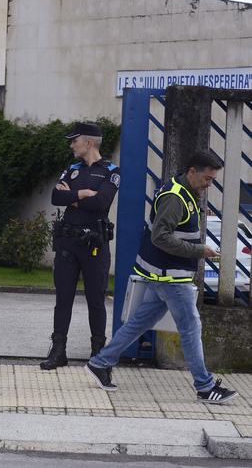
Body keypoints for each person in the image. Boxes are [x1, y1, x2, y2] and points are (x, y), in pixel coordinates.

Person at [86, 151, 238, 404]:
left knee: (139, 322)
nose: (209, 184)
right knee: (190, 328)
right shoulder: (175, 197)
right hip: (170, 276)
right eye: (207, 178)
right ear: (192, 171)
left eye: (212, 179)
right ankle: (204, 386)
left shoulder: (183, 191)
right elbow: (161, 237)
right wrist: (200, 251)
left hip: (164, 273)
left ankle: (100, 362)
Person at [41, 122, 119, 370]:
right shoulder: (72, 169)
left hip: (94, 244)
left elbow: (102, 203)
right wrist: (85, 194)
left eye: (75, 140)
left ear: (89, 142)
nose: (71, 144)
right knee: (63, 299)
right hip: (68, 243)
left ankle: (98, 354)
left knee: (96, 300)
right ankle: (58, 351)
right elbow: (55, 197)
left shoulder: (110, 171)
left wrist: (73, 197)